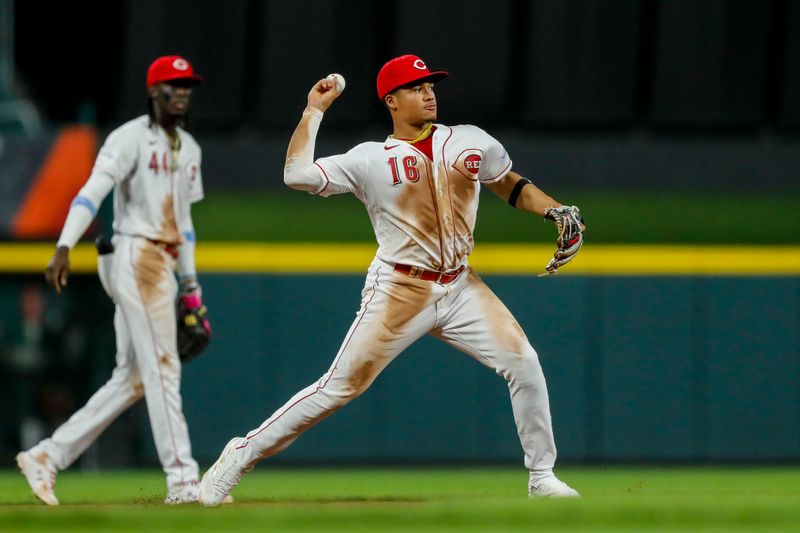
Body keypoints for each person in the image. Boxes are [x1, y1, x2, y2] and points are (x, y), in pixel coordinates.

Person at [199, 54, 582, 505]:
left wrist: (553, 209)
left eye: (431, 85)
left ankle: (541, 478)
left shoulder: (469, 140)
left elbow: (508, 184)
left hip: (461, 285)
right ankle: (237, 457)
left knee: (525, 364)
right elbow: (296, 175)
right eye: (416, 87)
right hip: (400, 288)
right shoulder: (369, 158)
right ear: (391, 101)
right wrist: (313, 111)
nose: (429, 92)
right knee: (339, 387)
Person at [16, 55, 209, 505]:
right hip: (134, 253)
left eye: (187, 86)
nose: (182, 93)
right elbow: (91, 192)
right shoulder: (129, 138)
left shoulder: (191, 149)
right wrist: (64, 245)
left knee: (134, 378)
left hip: (162, 260)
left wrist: (192, 291)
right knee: (164, 367)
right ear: (152, 92)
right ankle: (183, 481)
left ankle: (47, 455)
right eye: (172, 85)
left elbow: (184, 226)